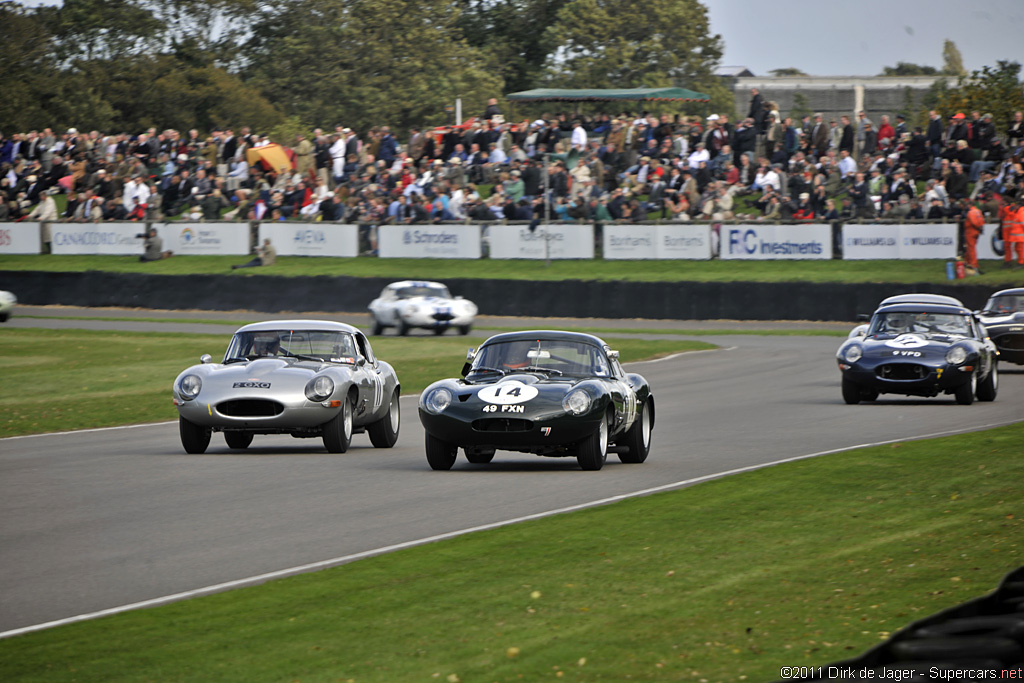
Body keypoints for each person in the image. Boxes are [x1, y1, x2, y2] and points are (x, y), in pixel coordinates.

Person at [963, 200, 985, 274]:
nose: (966, 206)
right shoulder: (978, 211)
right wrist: (980, 228)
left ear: (970, 205)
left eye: (967, 205)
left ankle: (973, 265)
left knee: (971, 248)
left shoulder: (971, 212)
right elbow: (982, 220)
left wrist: (978, 227)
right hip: (976, 232)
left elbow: (973, 222)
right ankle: (967, 262)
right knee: (969, 248)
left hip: (971, 231)